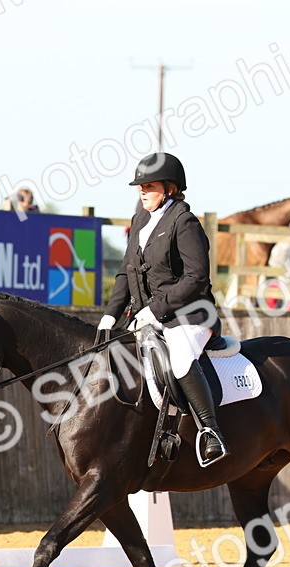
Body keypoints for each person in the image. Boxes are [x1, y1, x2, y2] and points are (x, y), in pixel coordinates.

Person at [98, 152, 229, 466]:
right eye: (140, 186)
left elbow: (196, 277)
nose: (142, 191)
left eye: (149, 185)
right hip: (150, 317)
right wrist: (110, 314)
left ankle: (211, 431)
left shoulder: (184, 222)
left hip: (193, 316)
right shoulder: (141, 220)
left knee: (181, 356)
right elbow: (126, 271)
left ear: (170, 188)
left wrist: (156, 310)